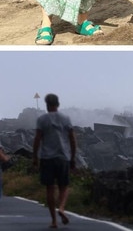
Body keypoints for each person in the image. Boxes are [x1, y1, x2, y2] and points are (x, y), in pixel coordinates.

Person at [33, 94, 77, 228]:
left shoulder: (42, 119)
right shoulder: (66, 119)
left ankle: (53, 221)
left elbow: (37, 139)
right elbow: (72, 139)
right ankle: (62, 208)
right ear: (58, 104)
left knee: (50, 189)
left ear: (47, 105)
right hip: (63, 157)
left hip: (47, 158)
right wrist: (73, 157)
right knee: (64, 187)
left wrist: (35, 157)